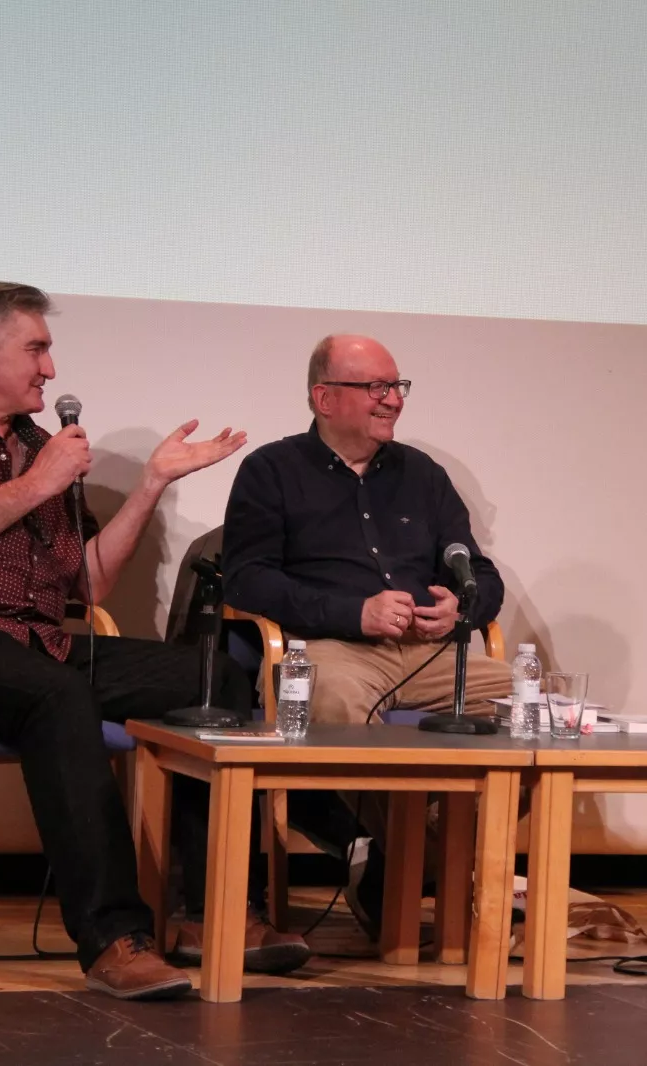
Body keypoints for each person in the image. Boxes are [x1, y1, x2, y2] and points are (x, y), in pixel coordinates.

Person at [0, 281, 309, 999]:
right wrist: (38, 484)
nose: (50, 370)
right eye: (36, 349)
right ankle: (113, 938)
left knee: (213, 679)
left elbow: (83, 587)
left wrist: (150, 484)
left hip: (33, 644)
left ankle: (203, 912)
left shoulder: (35, 446)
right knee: (54, 694)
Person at [220, 334, 513, 932]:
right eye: (376, 388)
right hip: (330, 648)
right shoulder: (272, 470)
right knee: (332, 701)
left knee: (536, 712)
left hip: (427, 654)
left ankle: (394, 862)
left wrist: (462, 608)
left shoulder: (422, 475)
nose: (393, 401)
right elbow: (246, 582)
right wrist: (354, 612)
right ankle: (403, 862)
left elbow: (479, 571)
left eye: (397, 387)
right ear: (323, 398)